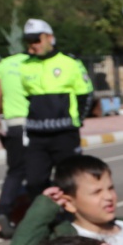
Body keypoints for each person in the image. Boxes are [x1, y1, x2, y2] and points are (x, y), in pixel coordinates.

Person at [18, 19, 93, 196]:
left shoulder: (70, 63)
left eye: (37, 40)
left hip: (64, 134)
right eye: (29, 41)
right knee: (34, 181)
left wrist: (78, 121)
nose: (33, 45)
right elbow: (26, 98)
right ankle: (48, 218)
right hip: (36, 135)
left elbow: (86, 94)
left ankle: (69, 220)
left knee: (70, 180)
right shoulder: (25, 66)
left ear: (49, 38)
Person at [0, 45, 31, 238]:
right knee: (40, 169)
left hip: (12, 124)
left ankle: (3, 211)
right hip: (35, 123)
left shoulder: (3, 65)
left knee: (15, 171)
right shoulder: (34, 64)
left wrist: (2, 114)